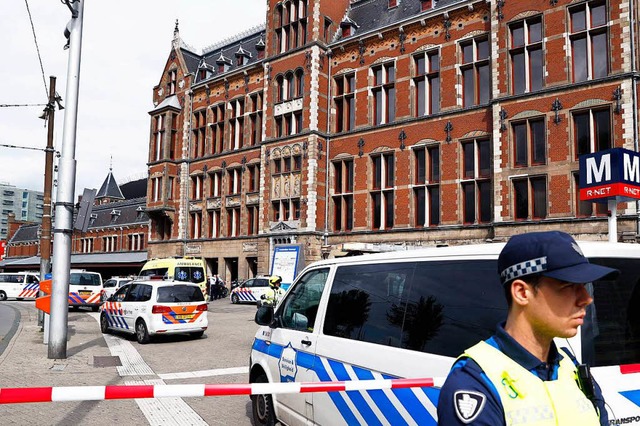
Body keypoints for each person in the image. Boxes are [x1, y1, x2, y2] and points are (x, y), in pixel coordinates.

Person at [437, 231, 618, 425]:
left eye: (584, 285)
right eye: (568, 286)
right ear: (522, 292)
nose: (586, 299)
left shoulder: (571, 368)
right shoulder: (475, 381)